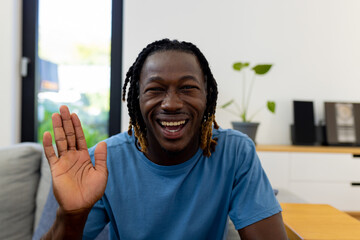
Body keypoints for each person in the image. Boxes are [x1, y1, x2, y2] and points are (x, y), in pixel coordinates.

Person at [41, 39, 287, 240]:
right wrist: (71, 216)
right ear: (137, 97)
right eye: (155, 89)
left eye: (187, 88)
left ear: (207, 94)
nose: (171, 103)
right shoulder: (104, 163)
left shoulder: (234, 152)